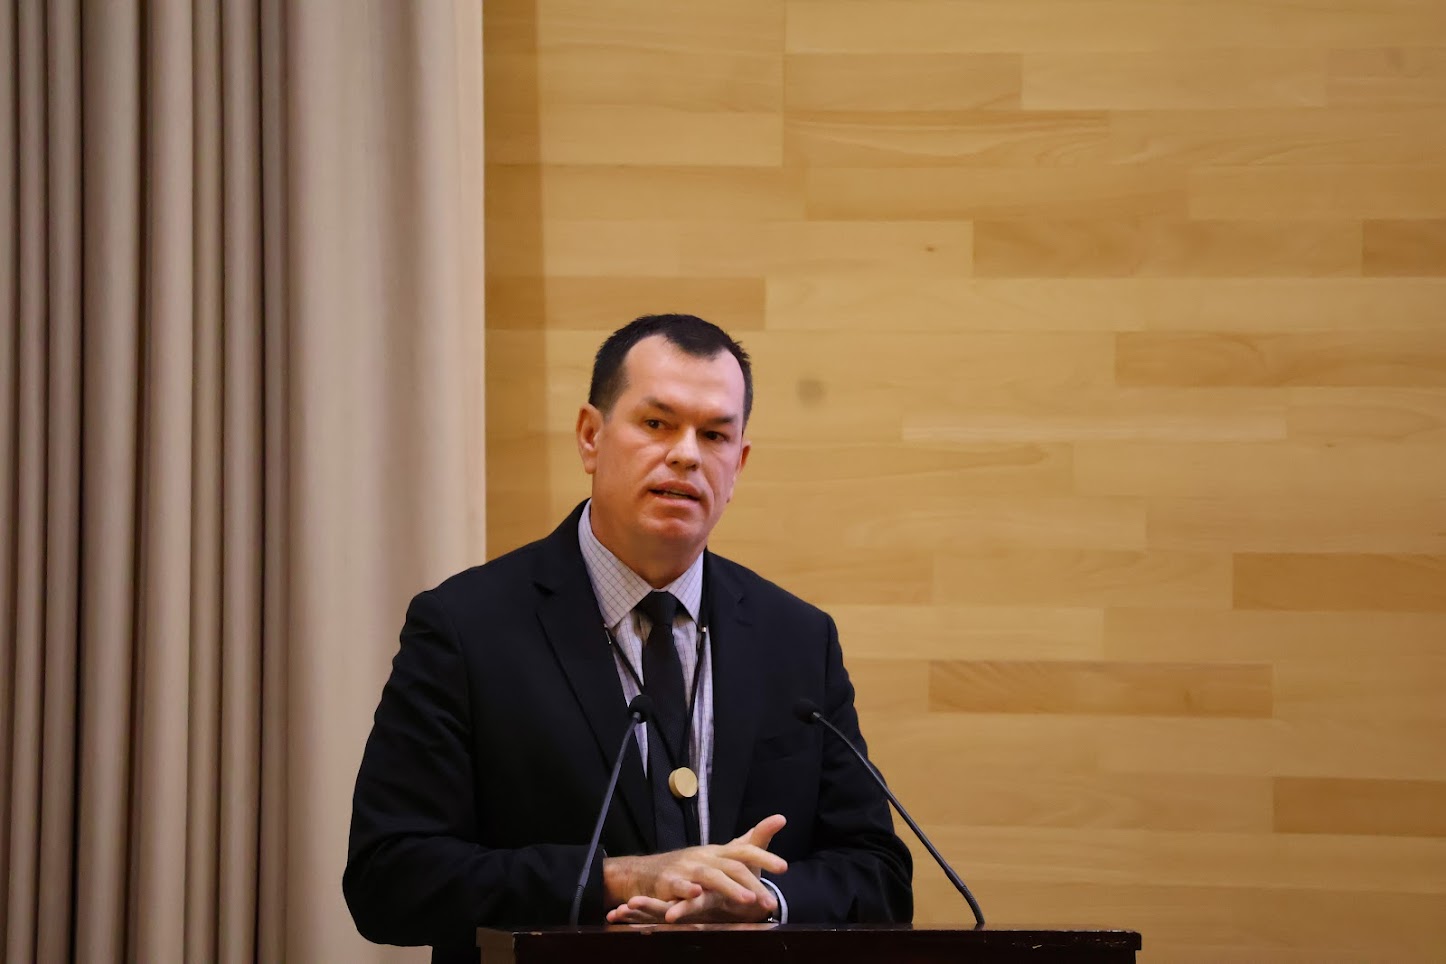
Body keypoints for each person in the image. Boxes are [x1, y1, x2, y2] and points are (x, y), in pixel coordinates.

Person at [344, 314, 913, 961]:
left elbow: (879, 875)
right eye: (657, 423)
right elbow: (389, 878)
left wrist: (766, 899)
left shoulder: (798, 639)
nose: (687, 454)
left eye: (716, 434)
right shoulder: (466, 628)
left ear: (740, 462)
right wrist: (613, 878)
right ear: (591, 436)